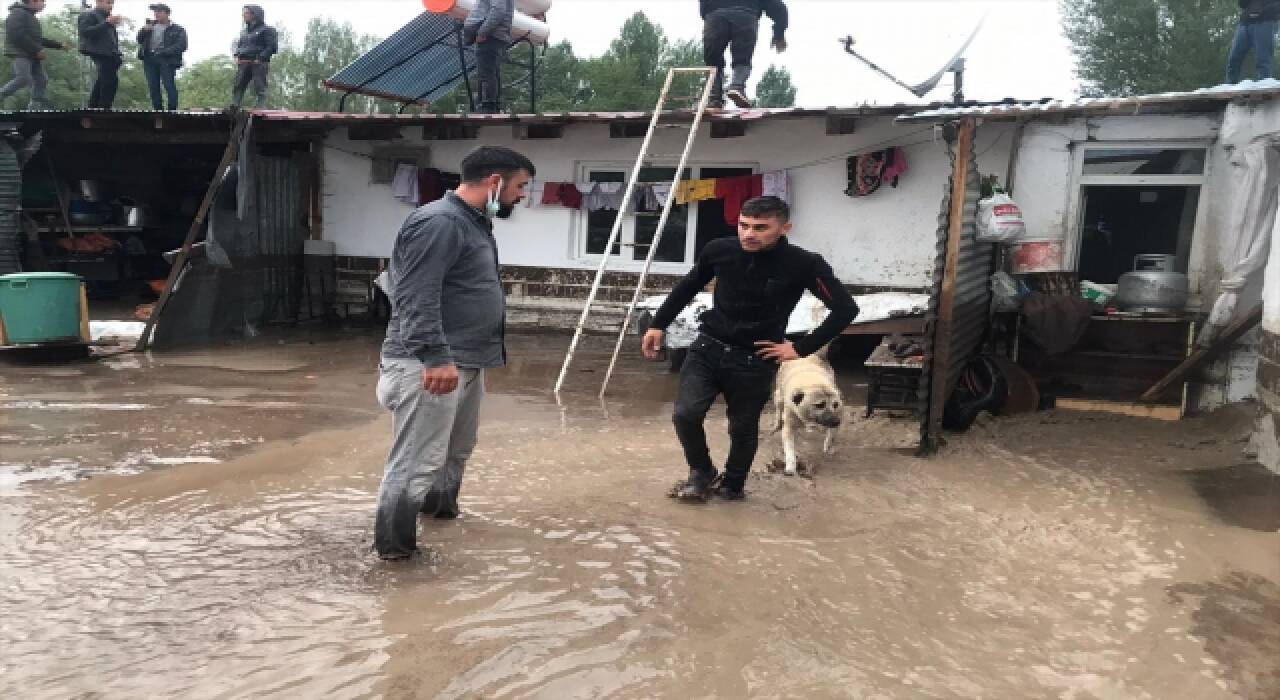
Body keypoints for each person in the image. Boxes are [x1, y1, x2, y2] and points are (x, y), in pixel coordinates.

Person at [374, 146, 535, 561]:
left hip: (465, 359)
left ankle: (439, 522)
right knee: (415, 462)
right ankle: (396, 558)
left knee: (453, 452)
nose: (522, 196)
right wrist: (433, 356)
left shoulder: (473, 223)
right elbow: (413, 295)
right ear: (495, 181)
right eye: (520, 187)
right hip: (429, 364)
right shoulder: (440, 222)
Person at [642, 196, 858, 501]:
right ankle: (701, 471)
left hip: (756, 358)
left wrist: (800, 348)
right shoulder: (719, 250)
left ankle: (733, 486)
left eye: (760, 227)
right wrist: (658, 323)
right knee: (685, 415)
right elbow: (689, 285)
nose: (749, 234)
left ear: (785, 228)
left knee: (742, 428)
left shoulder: (804, 264)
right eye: (743, 225)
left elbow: (845, 309)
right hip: (708, 346)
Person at [700, 0, 788, 109]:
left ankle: (714, 97)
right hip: (746, 15)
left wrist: (708, 13)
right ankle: (737, 86)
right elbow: (779, 7)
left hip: (715, 16)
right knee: (742, 57)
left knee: (713, 59)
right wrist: (779, 34)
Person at [0, 0, 66, 110]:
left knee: (41, 79)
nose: (44, 4)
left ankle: (35, 106)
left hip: (31, 54)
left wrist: (58, 45)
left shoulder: (30, 16)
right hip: (20, 52)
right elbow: (16, 34)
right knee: (23, 77)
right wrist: (36, 50)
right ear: (33, 1)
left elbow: (37, 39)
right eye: (42, 1)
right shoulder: (18, 13)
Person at [462, 0, 512, 114]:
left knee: (486, 74)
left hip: (490, 36)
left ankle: (488, 107)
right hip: (496, 36)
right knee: (492, 72)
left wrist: (482, 32)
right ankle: (492, 105)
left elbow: (498, 11)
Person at [136, 3, 187, 111]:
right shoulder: (150, 25)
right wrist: (144, 30)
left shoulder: (178, 29)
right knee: (153, 86)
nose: (156, 14)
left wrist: (165, 52)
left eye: (159, 11)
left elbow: (182, 45)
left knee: (169, 84)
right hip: (149, 58)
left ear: (167, 13)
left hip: (167, 60)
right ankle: (158, 110)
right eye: (155, 11)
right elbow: (139, 40)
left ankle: (172, 110)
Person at [231, 4, 277, 109]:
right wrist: (236, 55)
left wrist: (260, 58)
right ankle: (235, 104)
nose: (243, 15)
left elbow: (272, 47)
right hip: (243, 62)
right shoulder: (244, 32)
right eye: (243, 13)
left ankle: (261, 105)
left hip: (258, 61)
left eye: (246, 12)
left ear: (255, 14)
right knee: (239, 84)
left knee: (259, 85)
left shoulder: (267, 30)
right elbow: (239, 46)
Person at [78, 0, 122, 109]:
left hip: (109, 52)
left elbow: (111, 38)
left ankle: (94, 106)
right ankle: (104, 107)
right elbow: (85, 31)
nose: (111, 6)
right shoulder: (89, 14)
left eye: (112, 3)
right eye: (108, 2)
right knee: (109, 79)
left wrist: (116, 52)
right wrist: (106, 24)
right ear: (98, 2)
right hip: (97, 51)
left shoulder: (106, 17)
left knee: (104, 79)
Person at [1227, 0, 1280, 83]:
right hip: (1245, 23)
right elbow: (1242, 4)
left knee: (1263, 60)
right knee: (1233, 60)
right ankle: (1229, 87)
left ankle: (1264, 90)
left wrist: (1261, 12)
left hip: (1265, 22)